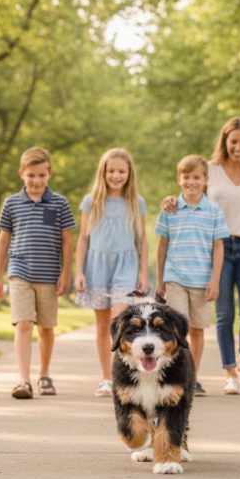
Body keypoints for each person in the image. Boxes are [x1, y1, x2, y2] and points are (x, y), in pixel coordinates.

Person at [162, 117, 240, 395]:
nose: (238, 147)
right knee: (224, 313)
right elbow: (190, 191)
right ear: (225, 141)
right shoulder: (211, 169)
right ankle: (230, 372)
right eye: (234, 141)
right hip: (215, 249)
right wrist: (170, 200)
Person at [0, 147, 75, 400]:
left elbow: (67, 242)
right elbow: (3, 240)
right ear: (22, 174)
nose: (36, 181)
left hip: (49, 274)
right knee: (24, 324)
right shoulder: (12, 203)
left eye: (41, 175)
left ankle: (45, 374)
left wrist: (65, 273)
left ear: (49, 174)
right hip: (20, 272)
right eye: (31, 175)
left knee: (47, 327)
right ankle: (24, 380)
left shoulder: (60, 203)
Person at [74, 148, 149, 397]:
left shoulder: (135, 202)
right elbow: (83, 239)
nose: (116, 175)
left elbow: (142, 240)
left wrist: (143, 274)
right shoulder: (91, 201)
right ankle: (106, 378)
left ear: (129, 174)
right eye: (111, 171)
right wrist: (79, 272)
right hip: (97, 265)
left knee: (120, 321)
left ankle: (123, 376)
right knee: (102, 325)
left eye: (121, 171)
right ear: (103, 172)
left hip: (125, 266)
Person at [156, 155, 229, 396]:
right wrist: (160, 280)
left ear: (206, 180)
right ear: (179, 179)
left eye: (196, 177)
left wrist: (215, 279)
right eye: (186, 177)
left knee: (198, 329)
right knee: (178, 327)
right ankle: (177, 374)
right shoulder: (170, 208)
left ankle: (193, 375)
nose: (191, 182)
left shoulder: (213, 211)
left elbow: (218, 247)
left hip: (201, 280)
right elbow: (162, 245)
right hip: (175, 277)